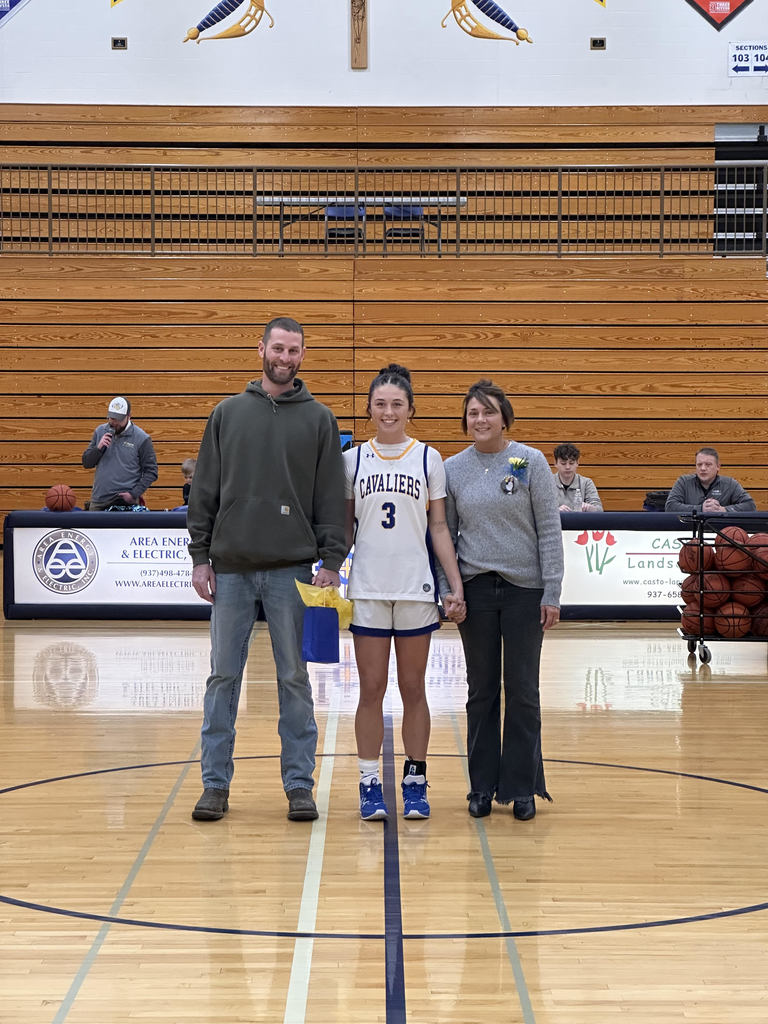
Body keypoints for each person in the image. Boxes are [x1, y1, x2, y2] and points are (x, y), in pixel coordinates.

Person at [187, 317, 346, 824]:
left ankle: (299, 785)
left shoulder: (319, 420)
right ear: (261, 349)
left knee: (294, 680)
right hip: (230, 569)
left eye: (293, 349)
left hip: (293, 571)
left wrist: (332, 560)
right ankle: (215, 785)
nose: (284, 356)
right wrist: (200, 556)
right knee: (222, 679)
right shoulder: (226, 414)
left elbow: (329, 497)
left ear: (303, 355)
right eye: (277, 347)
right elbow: (204, 490)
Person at [344, 364, 465, 822]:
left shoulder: (428, 458)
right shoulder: (352, 460)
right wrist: (330, 569)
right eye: (380, 404)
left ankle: (415, 779)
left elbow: (438, 526)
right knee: (371, 688)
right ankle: (369, 782)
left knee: (413, 688)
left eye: (397, 404)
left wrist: (453, 583)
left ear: (410, 410)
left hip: (416, 589)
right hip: (370, 588)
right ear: (370, 409)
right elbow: (346, 527)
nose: (388, 411)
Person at [443, 380, 564, 822]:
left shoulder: (529, 462)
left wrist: (552, 591)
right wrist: (448, 590)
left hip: (524, 592)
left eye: (489, 412)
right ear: (465, 420)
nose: (481, 419)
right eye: (473, 412)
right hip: (475, 590)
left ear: (505, 418)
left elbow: (550, 532)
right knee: (481, 692)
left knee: (523, 692)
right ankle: (481, 786)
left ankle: (522, 787)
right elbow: (444, 536)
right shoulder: (452, 469)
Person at [81, 397, 158, 511]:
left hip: (126, 502)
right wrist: (98, 448)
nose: (113, 422)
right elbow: (87, 463)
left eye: (118, 419)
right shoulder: (100, 431)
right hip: (99, 500)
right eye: (111, 418)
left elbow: (151, 471)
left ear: (129, 416)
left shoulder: (142, 438)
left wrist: (134, 494)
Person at [665, 447, 756, 515]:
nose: (703, 468)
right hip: (690, 531)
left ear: (718, 467)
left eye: (708, 464)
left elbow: (750, 506)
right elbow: (670, 507)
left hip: (720, 531)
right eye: (699, 464)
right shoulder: (683, 482)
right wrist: (700, 509)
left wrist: (723, 510)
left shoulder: (730, 484)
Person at [553, 443, 603, 512]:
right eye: (563, 463)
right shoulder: (547, 482)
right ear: (555, 464)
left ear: (577, 463)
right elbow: (540, 510)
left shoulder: (586, 483)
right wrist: (555, 511)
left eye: (571, 463)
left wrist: (590, 508)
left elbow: (600, 510)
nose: (568, 467)